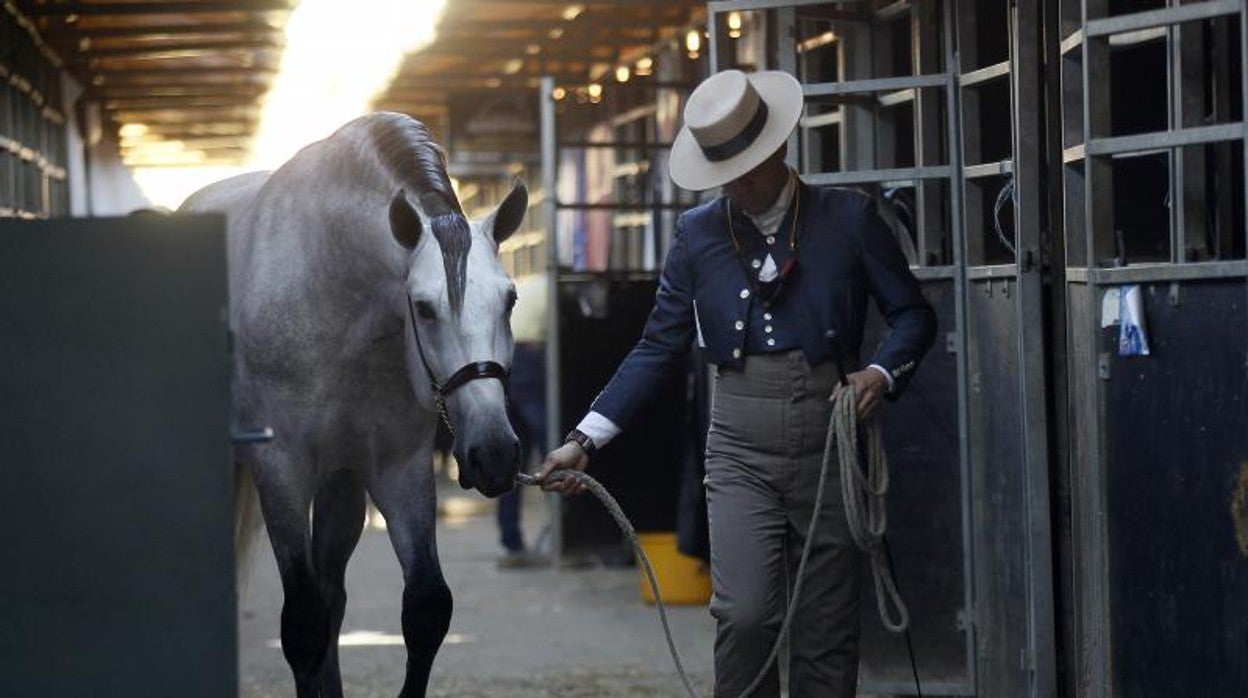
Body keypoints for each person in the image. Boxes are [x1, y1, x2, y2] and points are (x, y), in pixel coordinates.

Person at [538, 69, 937, 697]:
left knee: (825, 632)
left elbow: (914, 315)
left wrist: (879, 374)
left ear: (779, 149)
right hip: (739, 448)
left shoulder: (849, 218)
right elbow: (657, 345)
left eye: (749, 170)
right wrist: (584, 439)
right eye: (727, 173)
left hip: (830, 446)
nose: (739, 186)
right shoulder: (697, 234)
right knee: (746, 614)